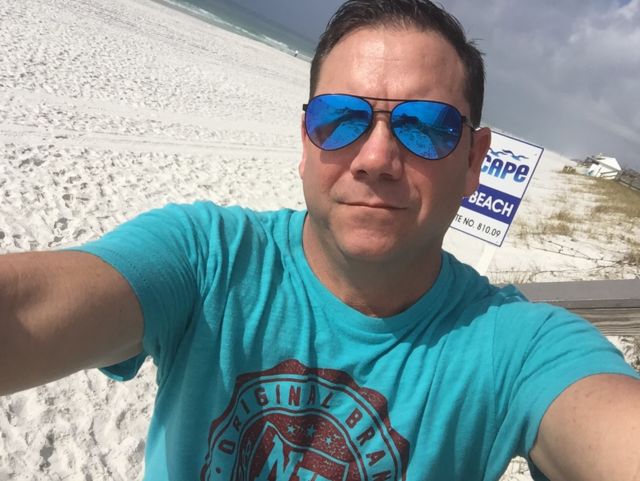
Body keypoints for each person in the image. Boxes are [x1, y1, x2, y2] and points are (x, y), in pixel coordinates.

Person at [1, 0, 639, 480]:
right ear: (306, 141)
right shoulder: (207, 258)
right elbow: (27, 307)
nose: (376, 158)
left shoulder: (516, 348)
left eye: (426, 127)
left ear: (474, 160)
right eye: (342, 118)